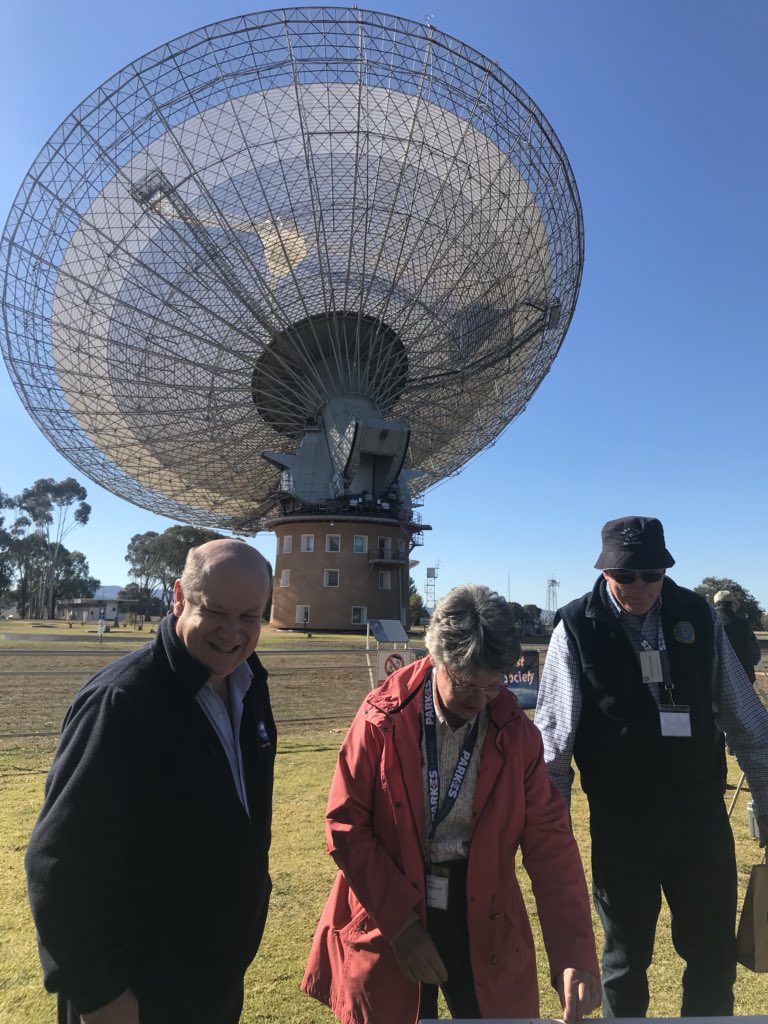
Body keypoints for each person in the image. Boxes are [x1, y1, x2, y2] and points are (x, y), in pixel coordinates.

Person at [302, 583, 601, 1024]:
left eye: (494, 685)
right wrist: (402, 926)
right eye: (466, 683)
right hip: (391, 903)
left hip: (482, 908)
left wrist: (574, 954)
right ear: (436, 658)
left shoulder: (517, 735)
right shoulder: (381, 718)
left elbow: (550, 843)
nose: (480, 701)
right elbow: (346, 825)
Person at [26, 539, 276, 1024]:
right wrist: (101, 998)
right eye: (216, 611)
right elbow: (59, 863)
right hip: (136, 995)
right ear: (179, 597)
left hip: (211, 980)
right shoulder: (122, 702)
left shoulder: (248, 685)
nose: (232, 632)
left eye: (250, 616)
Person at [536, 516, 768, 1018]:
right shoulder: (575, 626)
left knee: (713, 956)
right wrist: (548, 838)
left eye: (652, 574)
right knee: (624, 961)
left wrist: (767, 804)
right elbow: (554, 744)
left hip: (700, 821)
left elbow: (747, 720)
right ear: (605, 571)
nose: (640, 586)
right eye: (627, 576)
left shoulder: (699, 617)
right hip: (622, 826)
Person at [714, 589, 761, 685]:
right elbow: (755, 653)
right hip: (744, 676)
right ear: (732, 604)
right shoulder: (743, 625)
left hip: (718, 679)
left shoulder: (710, 623)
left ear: (717, 603)